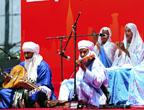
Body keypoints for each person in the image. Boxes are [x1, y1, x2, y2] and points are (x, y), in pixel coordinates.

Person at [0, 41, 56, 108]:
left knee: (34, 94)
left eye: (28, 53)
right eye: (25, 53)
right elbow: (12, 70)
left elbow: (45, 84)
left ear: (34, 53)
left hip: (40, 90)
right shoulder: (23, 64)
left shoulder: (43, 66)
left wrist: (30, 85)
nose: (26, 56)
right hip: (23, 90)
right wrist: (7, 75)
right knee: (4, 92)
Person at [58, 40, 108, 107]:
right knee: (65, 83)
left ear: (89, 51)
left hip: (95, 94)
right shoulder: (83, 61)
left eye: (84, 52)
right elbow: (78, 78)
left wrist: (84, 69)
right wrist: (69, 81)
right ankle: (63, 105)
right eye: (81, 52)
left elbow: (98, 83)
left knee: (79, 84)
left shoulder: (96, 63)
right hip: (83, 89)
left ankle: (81, 105)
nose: (82, 55)